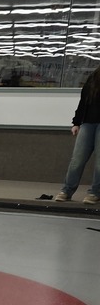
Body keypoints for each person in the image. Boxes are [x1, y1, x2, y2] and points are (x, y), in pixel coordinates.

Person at [56, 65, 100, 204]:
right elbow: (84, 101)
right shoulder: (94, 77)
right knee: (77, 160)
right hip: (88, 122)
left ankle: (94, 193)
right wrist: (76, 122)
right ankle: (66, 190)